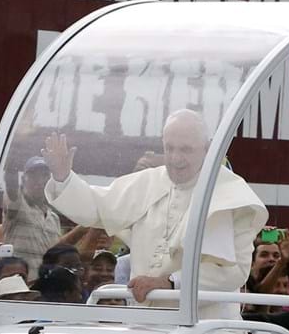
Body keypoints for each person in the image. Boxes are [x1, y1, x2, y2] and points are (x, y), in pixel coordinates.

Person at [41, 109, 268, 318]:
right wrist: (63, 177)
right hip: (146, 321)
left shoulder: (229, 192)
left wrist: (171, 283)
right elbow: (95, 206)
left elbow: (233, 272)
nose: (176, 158)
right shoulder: (147, 182)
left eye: (186, 149)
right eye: (170, 148)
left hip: (204, 325)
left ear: (207, 149)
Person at [2, 156, 63, 283]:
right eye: (34, 176)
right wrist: (15, 149)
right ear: (24, 179)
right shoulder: (18, 206)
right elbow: (11, 182)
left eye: (44, 176)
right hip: (21, 285)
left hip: (47, 287)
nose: (40, 181)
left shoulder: (54, 218)